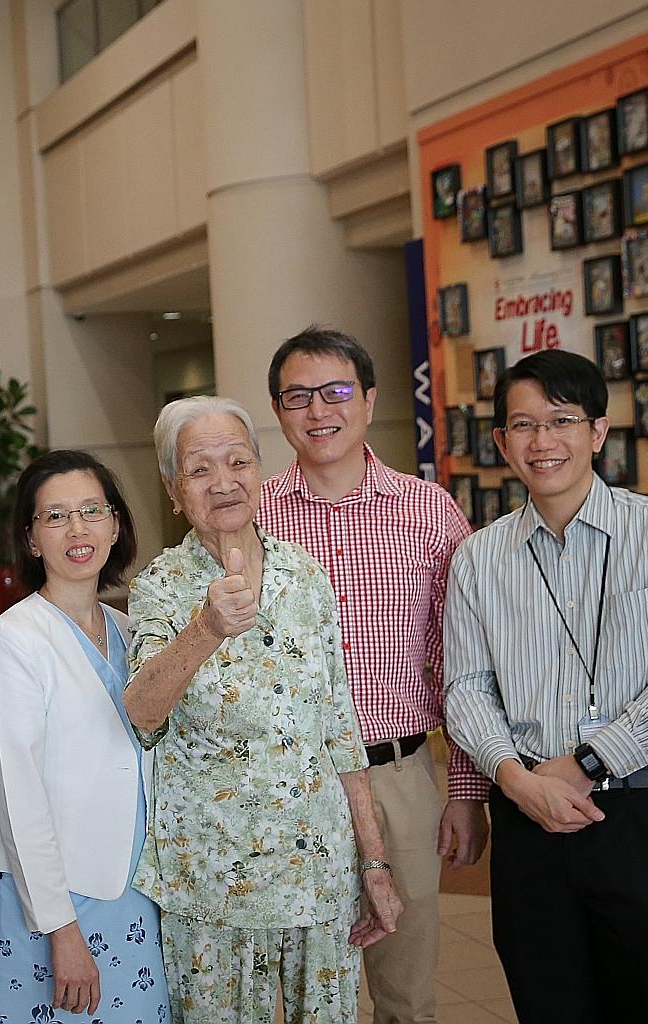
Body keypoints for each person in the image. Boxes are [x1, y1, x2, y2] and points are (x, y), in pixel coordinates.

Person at [443, 350, 648, 1024]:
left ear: (598, 431)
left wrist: (590, 762)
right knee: (549, 1007)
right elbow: (465, 689)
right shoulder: (479, 557)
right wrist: (514, 780)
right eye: (524, 425)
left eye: (561, 420)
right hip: (528, 823)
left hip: (641, 817)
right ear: (502, 442)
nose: (543, 442)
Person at [123, 395, 403, 1024]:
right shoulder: (160, 586)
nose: (223, 482)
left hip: (319, 869)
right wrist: (205, 628)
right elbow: (140, 713)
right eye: (199, 469)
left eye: (238, 461)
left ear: (259, 470)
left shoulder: (305, 575)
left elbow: (339, 727)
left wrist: (374, 861)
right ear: (173, 489)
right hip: (214, 880)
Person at [256, 326, 485, 1024]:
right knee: (299, 994)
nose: (319, 411)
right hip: (289, 783)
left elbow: (463, 660)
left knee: (407, 995)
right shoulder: (251, 516)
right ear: (278, 409)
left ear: (370, 399)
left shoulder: (428, 511)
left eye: (337, 392)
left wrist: (466, 790)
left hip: (400, 776)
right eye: (299, 396)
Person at [0, 449, 169, 1023]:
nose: (76, 529)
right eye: (54, 517)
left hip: (129, 888)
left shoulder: (132, 632)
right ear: (31, 540)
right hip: (50, 901)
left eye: (91, 511)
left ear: (115, 525)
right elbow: (17, 796)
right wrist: (60, 929)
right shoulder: (14, 642)